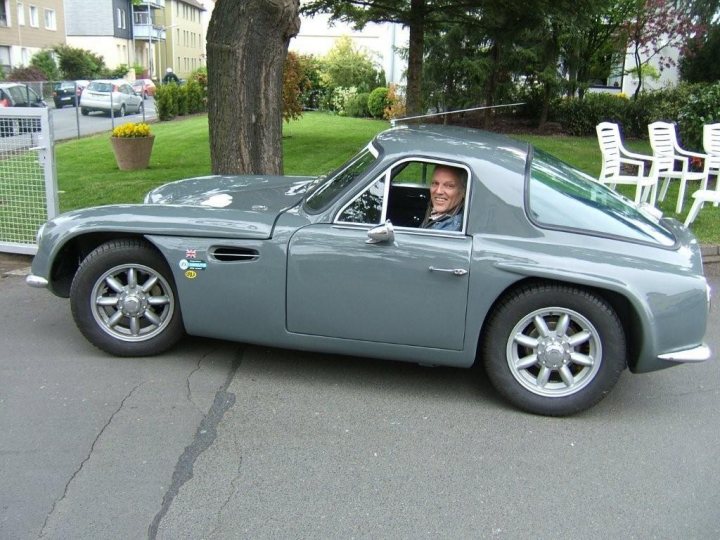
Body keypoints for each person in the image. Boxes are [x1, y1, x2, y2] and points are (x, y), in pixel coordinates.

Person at [420, 165, 466, 231]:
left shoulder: (450, 230)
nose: (438, 191)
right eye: (435, 183)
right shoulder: (435, 212)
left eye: (449, 186)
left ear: (463, 191)